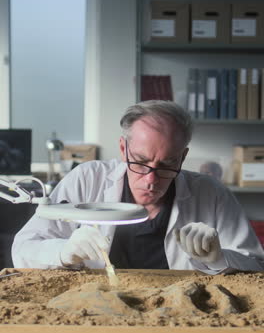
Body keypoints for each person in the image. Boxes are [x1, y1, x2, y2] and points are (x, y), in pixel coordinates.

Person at [12, 100, 264, 274]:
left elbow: (257, 265)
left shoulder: (211, 194)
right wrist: (63, 252)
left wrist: (219, 259)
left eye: (166, 164)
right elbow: (23, 249)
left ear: (182, 158)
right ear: (123, 149)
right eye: (141, 162)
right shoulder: (87, 179)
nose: (151, 179)